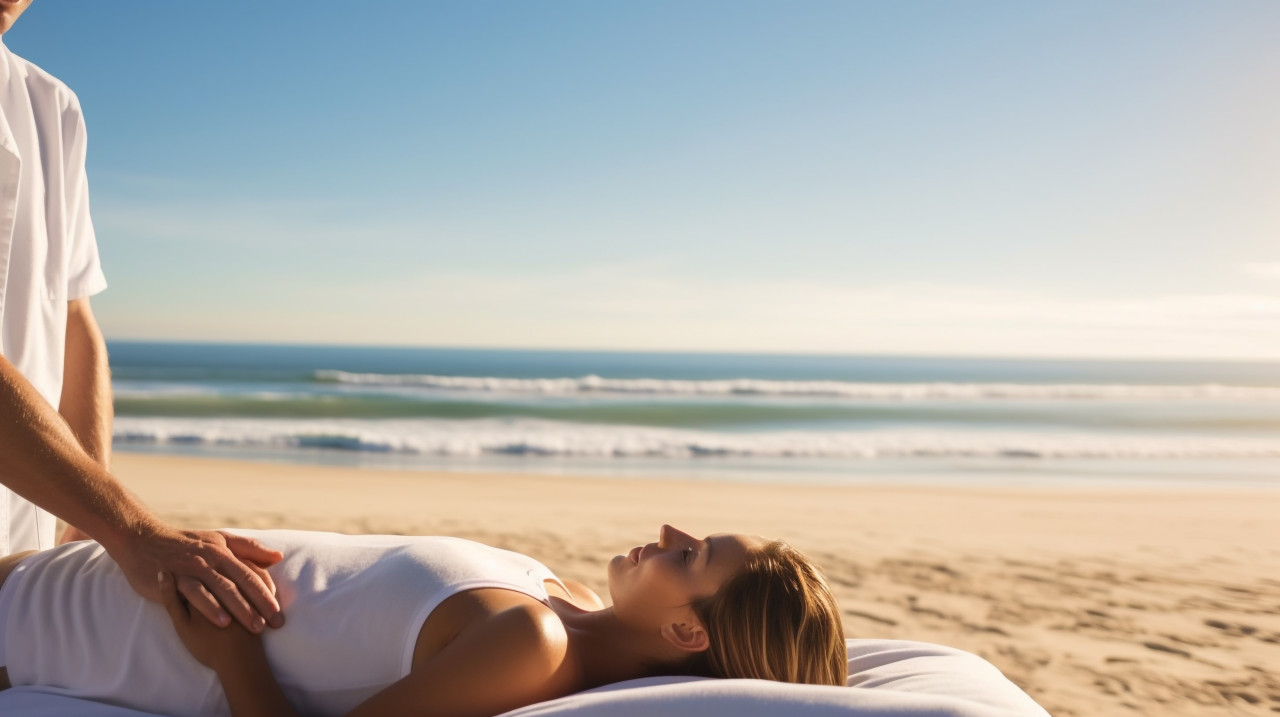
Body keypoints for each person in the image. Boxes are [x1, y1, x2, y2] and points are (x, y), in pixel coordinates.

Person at [0, 1, 284, 633]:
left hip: (26, 539)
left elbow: (74, 322)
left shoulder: (54, 107)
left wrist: (82, 531)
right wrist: (129, 529)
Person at [0, 524, 847, 717]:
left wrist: (231, 654)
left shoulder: (535, 646)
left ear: (689, 634)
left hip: (46, 638)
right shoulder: (570, 599)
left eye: (691, 555)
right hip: (69, 573)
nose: (670, 533)